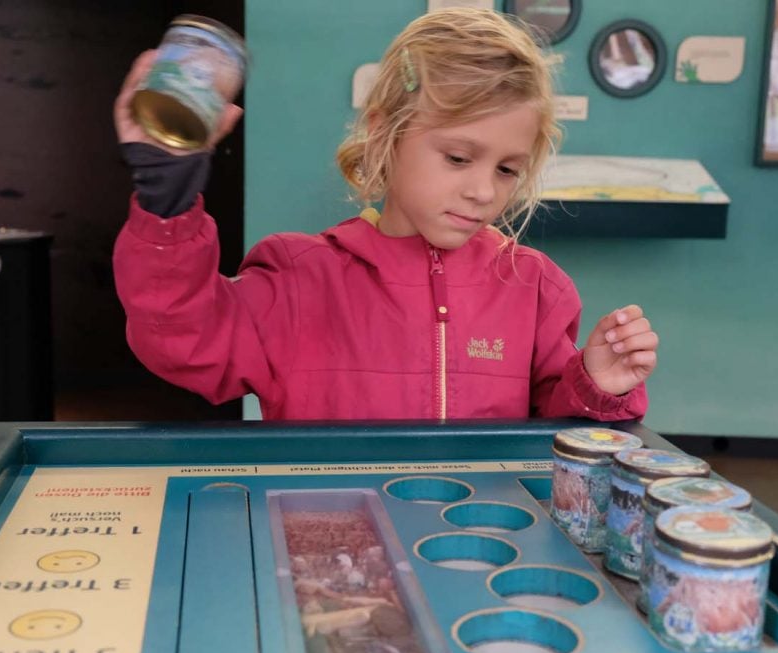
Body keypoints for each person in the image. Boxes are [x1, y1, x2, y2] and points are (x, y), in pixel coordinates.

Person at [113, 8, 658, 421]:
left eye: (508, 170)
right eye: (459, 158)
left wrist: (596, 384)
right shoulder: (300, 278)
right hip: (331, 552)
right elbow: (179, 339)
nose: (482, 191)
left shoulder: (535, 286)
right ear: (383, 133)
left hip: (479, 551)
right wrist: (168, 200)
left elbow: (557, 432)